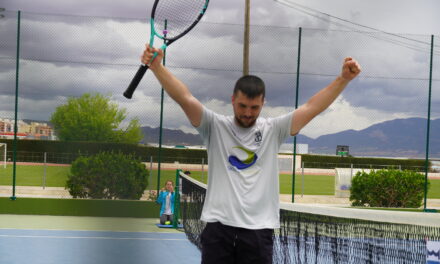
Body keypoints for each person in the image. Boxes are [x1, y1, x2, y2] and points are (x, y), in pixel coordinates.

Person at [142, 44, 361, 263]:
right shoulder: (214, 126)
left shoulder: (273, 129)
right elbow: (185, 98)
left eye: (254, 107)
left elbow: (312, 107)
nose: (247, 113)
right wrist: (157, 67)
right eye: (242, 106)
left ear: (263, 103)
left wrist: (343, 79)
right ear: (232, 100)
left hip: (258, 231)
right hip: (219, 230)